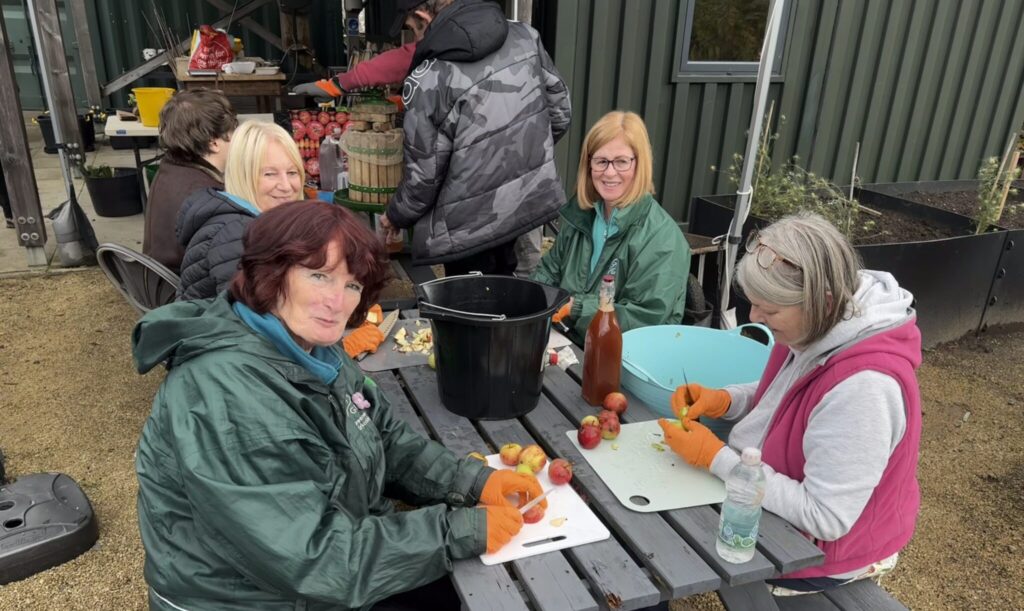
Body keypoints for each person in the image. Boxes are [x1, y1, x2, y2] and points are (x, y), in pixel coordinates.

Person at [133, 199, 544, 610]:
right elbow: (312, 559)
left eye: (351, 284)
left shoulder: (311, 349)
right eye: (319, 275)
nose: (338, 301)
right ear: (270, 273)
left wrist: (473, 483)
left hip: (328, 558)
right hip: (252, 597)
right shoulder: (225, 394)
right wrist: (455, 531)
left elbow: (384, 434)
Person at [658, 212, 922, 596]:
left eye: (770, 310)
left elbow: (826, 517)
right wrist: (728, 399)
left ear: (823, 301)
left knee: (669, 534)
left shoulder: (865, 390)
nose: (754, 317)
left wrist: (715, 458)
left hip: (819, 554)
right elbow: (791, 389)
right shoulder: (823, 320)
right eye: (755, 303)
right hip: (779, 489)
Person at [377, 0, 572, 276]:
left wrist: (395, 215)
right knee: (510, 296)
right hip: (522, 204)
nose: (417, 38)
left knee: (469, 310)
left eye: (413, 29)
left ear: (423, 15)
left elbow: (423, 177)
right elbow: (560, 113)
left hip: (465, 229)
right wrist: (521, 165)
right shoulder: (525, 37)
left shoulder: (430, 77)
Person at [532, 111, 690, 344]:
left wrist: (577, 309)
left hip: (623, 359)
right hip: (569, 342)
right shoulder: (582, 216)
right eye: (601, 161)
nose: (609, 172)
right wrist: (531, 298)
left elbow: (646, 318)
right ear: (589, 164)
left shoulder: (662, 239)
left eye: (621, 161)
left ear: (640, 164)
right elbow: (548, 273)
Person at [175, 120, 303, 301]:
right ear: (242, 175)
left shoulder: (263, 222)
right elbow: (249, 318)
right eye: (269, 174)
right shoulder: (235, 234)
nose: (286, 186)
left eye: (292, 172)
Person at [143, 89, 237, 273]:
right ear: (214, 143)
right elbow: (228, 267)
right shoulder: (208, 197)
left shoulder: (170, 168)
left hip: (160, 282)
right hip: (187, 293)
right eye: (233, 132)